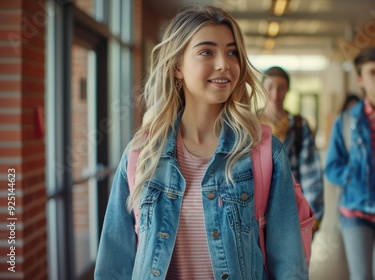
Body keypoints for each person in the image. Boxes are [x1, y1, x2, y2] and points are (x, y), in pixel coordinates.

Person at [94, 5, 307, 279]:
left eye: (232, 52)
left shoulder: (264, 151)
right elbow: (114, 264)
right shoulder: (142, 153)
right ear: (177, 67)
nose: (224, 63)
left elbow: (289, 265)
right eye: (207, 52)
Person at [325, 46, 375, 280]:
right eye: (372, 72)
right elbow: (332, 167)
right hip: (356, 211)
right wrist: (354, 175)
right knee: (362, 276)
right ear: (360, 79)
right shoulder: (346, 121)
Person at [259, 66, 324, 235]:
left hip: (291, 207)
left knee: (293, 259)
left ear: (287, 90)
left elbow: (310, 169)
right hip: (256, 208)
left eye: (281, 87)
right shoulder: (250, 125)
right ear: (262, 89)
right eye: (270, 87)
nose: (275, 94)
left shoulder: (299, 125)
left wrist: (313, 212)